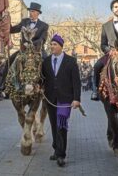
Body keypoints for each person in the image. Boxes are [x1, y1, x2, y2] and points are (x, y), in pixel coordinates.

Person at [41, 34, 81, 167]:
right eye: (51, 44)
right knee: (53, 125)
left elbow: (76, 82)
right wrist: (38, 86)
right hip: (50, 98)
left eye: (55, 44)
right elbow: (42, 78)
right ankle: (56, 150)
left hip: (65, 99)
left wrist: (76, 99)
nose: (52, 46)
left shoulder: (71, 61)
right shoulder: (46, 61)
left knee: (61, 125)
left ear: (61, 46)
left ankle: (61, 155)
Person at [1, 2, 49, 88]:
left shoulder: (44, 25)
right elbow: (13, 29)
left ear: (38, 13)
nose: (31, 13)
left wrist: (31, 44)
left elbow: (42, 39)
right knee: (9, 61)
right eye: (30, 11)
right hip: (23, 50)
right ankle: (3, 84)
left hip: (37, 50)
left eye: (33, 11)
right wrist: (7, 21)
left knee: (47, 63)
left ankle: (47, 86)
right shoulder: (24, 21)